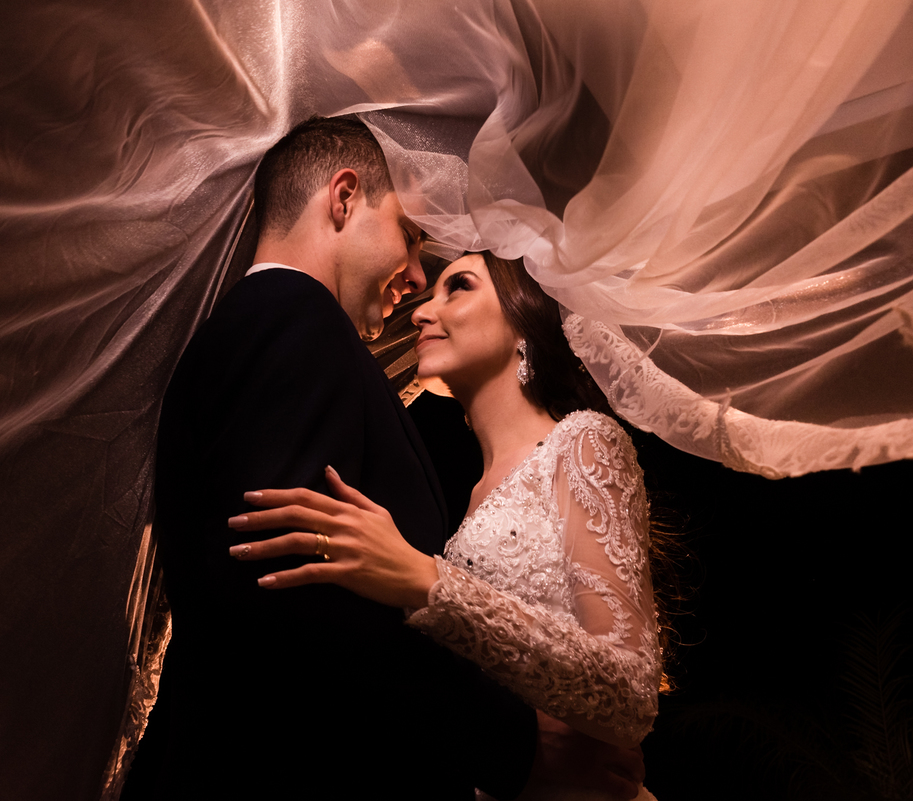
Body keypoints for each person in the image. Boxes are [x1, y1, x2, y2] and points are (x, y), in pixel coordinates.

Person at [122, 117, 644, 800]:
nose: (420, 282)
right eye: (410, 234)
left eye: (456, 282)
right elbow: (294, 599)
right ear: (343, 198)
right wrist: (513, 750)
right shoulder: (295, 323)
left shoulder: (269, 329)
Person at [229, 250, 664, 800]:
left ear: (523, 319)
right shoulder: (474, 495)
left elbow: (630, 693)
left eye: (458, 286)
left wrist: (425, 580)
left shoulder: (583, 442)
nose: (419, 312)